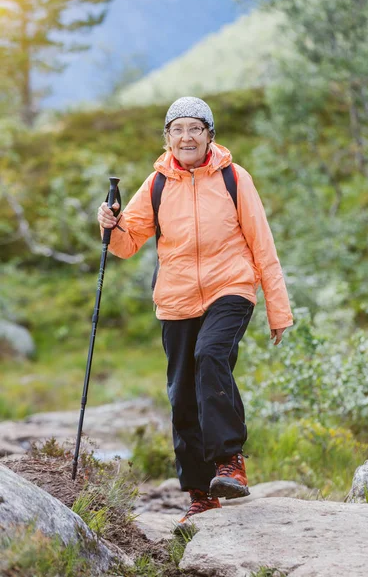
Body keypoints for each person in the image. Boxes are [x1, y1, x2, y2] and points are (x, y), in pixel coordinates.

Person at [97, 96, 293, 528]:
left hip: (231, 287)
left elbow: (263, 246)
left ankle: (229, 463)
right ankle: (201, 494)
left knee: (210, 356)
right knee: (182, 393)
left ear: (210, 135)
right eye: (177, 129)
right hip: (177, 298)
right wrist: (110, 227)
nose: (186, 137)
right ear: (167, 137)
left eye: (195, 128)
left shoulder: (234, 179)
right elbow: (128, 244)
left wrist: (278, 309)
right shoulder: (156, 184)